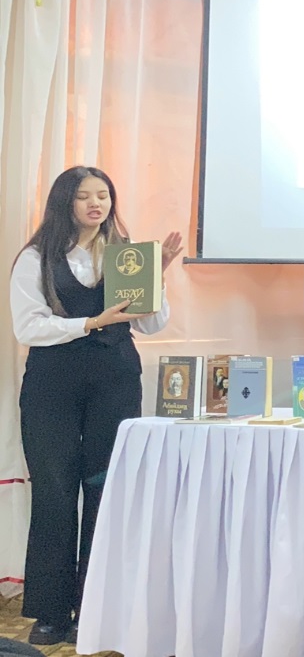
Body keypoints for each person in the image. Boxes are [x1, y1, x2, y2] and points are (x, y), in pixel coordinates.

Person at [9, 166, 183, 647]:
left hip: (115, 380)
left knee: (106, 490)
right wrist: (89, 322)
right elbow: (28, 327)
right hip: (52, 384)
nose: (95, 204)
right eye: (84, 196)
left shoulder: (127, 256)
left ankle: (96, 607)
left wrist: (157, 277)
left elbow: (150, 325)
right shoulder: (36, 257)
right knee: (54, 492)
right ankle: (50, 612)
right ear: (64, 202)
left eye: (103, 195)